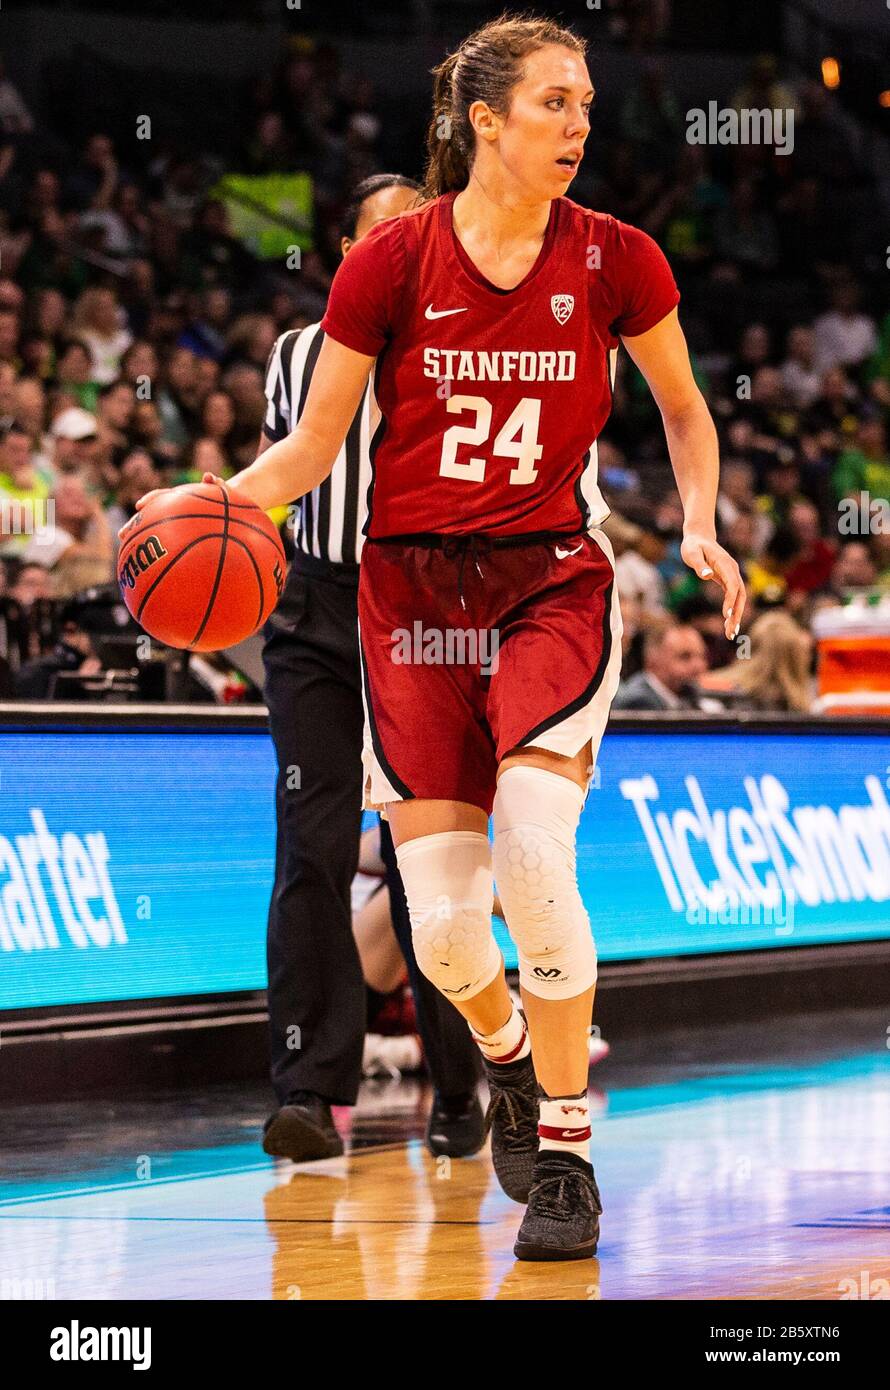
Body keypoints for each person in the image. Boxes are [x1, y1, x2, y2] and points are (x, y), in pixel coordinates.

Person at [130, 12, 744, 1262]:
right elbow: (312, 448)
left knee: (532, 849)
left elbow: (684, 407)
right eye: (553, 105)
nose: (579, 125)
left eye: (584, 104)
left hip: (548, 583)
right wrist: (209, 505)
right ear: (484, 120)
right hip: (405, 602)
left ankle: (564, 1152)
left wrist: (698, 528)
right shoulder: (389, 262)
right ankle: (508, 1062)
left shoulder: (617, 258)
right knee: (450, 931)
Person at [258, 173, 484, 1165]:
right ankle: (307, 1090)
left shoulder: (471, 356)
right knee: (309, 845)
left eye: (415, 234)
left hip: (422, 612)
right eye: (379, 234)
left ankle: (459, 1081)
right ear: (347, 253)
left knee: (419, 861)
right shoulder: (295, 355)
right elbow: (275, 484)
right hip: (311, 607)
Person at [611, 621, 711, 711]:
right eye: (684, 657)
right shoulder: (636, 702)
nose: (698, 666)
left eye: (702, 657)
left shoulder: (690, 694)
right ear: (653, 659)